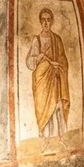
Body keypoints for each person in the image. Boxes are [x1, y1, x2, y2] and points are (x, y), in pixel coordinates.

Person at [25, 8, 70, 151]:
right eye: (43, 20)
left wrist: (59, 65)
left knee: (57, 107)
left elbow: (63, 58)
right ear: (40, 22)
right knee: (43, 107)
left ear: (52, 21)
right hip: (42, 80)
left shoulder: (57, 39)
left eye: (48, 19)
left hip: (55, 78)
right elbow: (29, 62)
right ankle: (45, 141)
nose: (46, 22)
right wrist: (40, 58)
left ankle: (60, 138)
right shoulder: (36, 40)